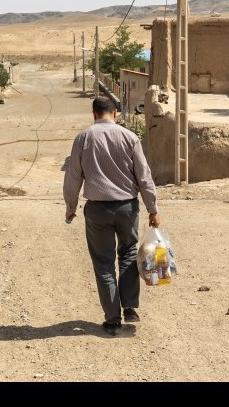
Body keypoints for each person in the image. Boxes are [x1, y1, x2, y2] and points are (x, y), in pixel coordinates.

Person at [63, 97, 161, 336]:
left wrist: (71, 206)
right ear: (114, 113)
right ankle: (129, 308)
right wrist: (153, 208)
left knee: (103, 263)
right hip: (127, 207)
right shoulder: (130, 137)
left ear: (94, 114)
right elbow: (144, 176)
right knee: (128, 253)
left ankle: (112, 318)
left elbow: (73, 177)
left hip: (97, 209)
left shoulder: (83, 138)